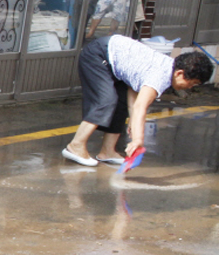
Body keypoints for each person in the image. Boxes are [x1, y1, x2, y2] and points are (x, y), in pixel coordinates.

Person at [62, 35, 212, 166]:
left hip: (114, 61)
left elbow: (134, 91)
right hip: (98, 54)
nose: (190, 87)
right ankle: (76, 146)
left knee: (120, 105)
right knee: (106, 101)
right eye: (192, 83)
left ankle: (107, 151)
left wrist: (134, 121)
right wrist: (138, 140)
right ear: (180, 73)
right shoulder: (159, 77)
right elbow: (141, 106)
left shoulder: (167, 68)